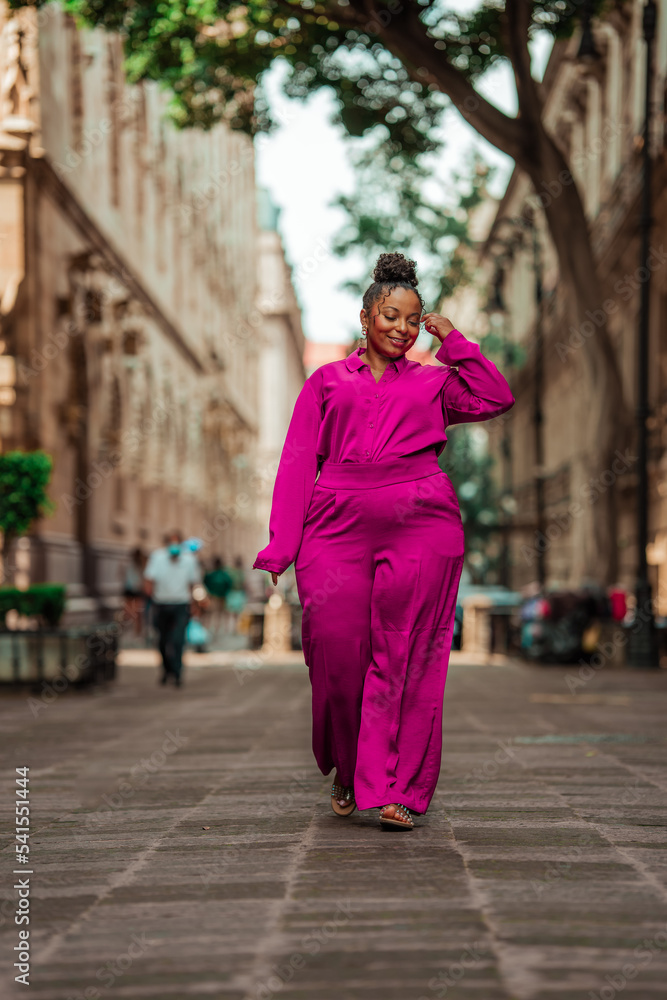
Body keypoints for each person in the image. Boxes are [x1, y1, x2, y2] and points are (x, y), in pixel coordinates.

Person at [253, 252, 515, 830]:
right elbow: (299, 460)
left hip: (422, 519)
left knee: (408, 651)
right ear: (367, 316)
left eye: (413, 319)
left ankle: (399, 789)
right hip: (336, 521)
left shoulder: (435, 380)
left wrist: (452, 339)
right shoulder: (326, 381)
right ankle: (349, 768)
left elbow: (496, 397)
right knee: (335, 648)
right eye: (390, 316)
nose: (401, 328)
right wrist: (282, 544)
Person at [144, 529, 201, 687]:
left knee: (178, 640)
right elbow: (149, 580)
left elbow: (193, 584)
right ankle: (166, 669)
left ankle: (177, 672)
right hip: (161, 604)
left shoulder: (189, 560)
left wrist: (195, 604)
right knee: (162, 640)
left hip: (181, 605)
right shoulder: (157, 557)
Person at [203, 556, 234, 637]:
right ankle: (216, 630)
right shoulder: (224, 575)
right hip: (220, 597)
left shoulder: (211, 575)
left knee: (211, 614)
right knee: (218, 614)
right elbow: (229, 584)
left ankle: (209, 630)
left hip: (213, 596)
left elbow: (205, 582)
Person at [121, 547, 146, 638]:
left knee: (136, 612)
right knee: (129, 612)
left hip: (136, 590)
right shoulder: (129, 564)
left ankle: (137, 632)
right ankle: (130, 631)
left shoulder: (141, 565)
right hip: (131, 590)